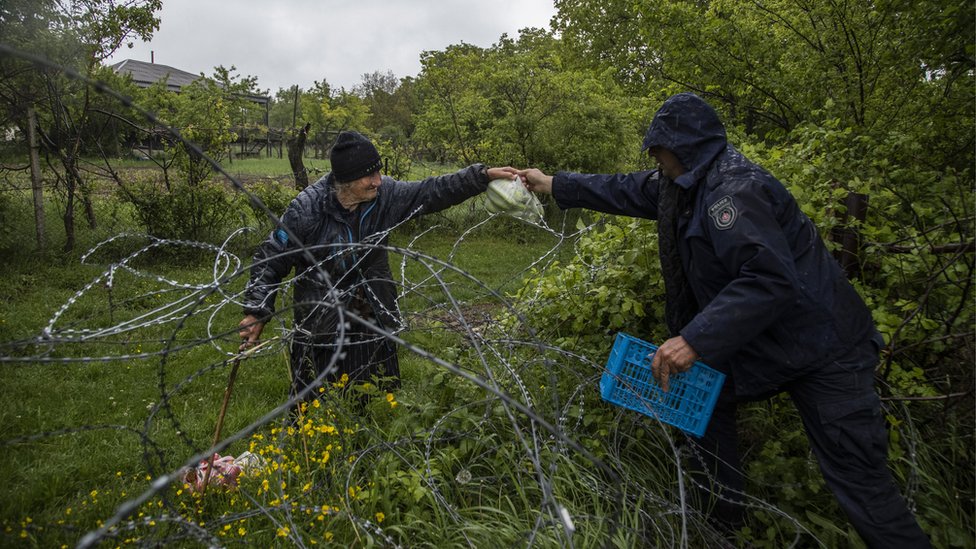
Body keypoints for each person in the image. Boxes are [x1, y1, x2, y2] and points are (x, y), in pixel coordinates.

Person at [518, 93, 930, 547]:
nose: (653, 157)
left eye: (659, 148)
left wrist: (693, 340)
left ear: (686, 146)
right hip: (759, 340)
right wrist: (552, 183)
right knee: (706, 410)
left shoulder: (734, 191)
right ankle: (721, 526)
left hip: (824, 350)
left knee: (860, 483)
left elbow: (768, 280)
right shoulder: (682, 183)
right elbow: (624, 188)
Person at [239, 130, 518, 405]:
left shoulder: (385, 196)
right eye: (368, 176)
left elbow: (433, 190)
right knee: (315, 398)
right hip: (320, 318)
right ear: (345, 180)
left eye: (378, 172)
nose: (377, 181)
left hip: (372, 306)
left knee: (376, 393)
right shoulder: (307, 211)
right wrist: (257, 309)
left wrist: (481, 177)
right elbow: (271, 257)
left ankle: (370, 440)